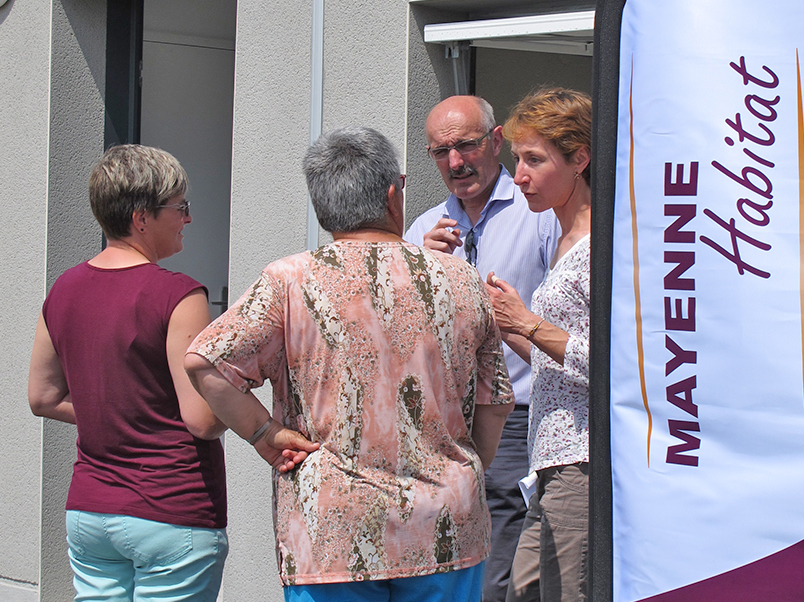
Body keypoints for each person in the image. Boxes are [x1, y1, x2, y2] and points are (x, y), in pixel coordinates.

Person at [185, 126, 514, 602]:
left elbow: (206, 363)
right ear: (393, 193)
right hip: (445, 525)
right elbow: (495, 401)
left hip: (333, 530)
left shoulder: (290, 280)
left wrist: (266, 435)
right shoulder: (460, 278)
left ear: (322, 207)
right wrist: (468, 465)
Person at [27, 144, 238, 601]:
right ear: (142, 218)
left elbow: (42, 397)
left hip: (90, 510)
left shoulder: (64, 288)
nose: (188, 218)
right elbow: (201, 420)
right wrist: (235, 384)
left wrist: (117, 413)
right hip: (170, 508)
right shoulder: (178, 294)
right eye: (179, 207)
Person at [404, 95, 560, 601]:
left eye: (467, 145)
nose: (455, 162)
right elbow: (400, 332)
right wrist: (419, 271)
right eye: (440, 152)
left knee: (502, 558)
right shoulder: (421, 230)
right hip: (440, 419)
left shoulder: (537, 215)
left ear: (495, 143)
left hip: (515, 414)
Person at [485, 88, 592, 602]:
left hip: (582, 459)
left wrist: (527, 324)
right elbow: (563, 365)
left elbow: (618, 365)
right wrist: (506, 326)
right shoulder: (563, 236)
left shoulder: (602, 246)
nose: (519, 175)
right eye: (516, 160)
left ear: (580, 159)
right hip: (548, 462)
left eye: (534, 160)